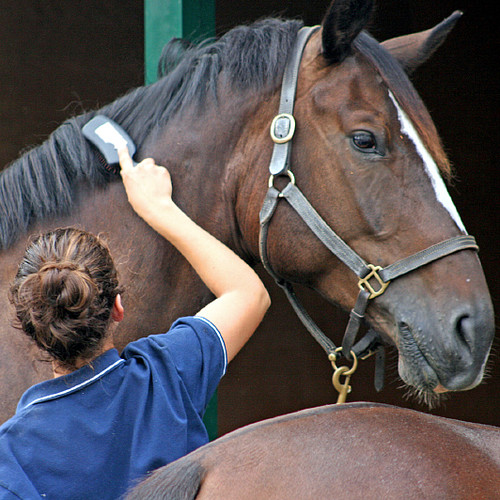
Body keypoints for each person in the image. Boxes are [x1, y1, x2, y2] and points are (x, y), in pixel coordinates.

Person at [0, 148, 270, 499]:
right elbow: (248, 294)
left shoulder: (11, 458)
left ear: (32, 329)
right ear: (118, 307)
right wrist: (160, 208)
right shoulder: (165, 375)